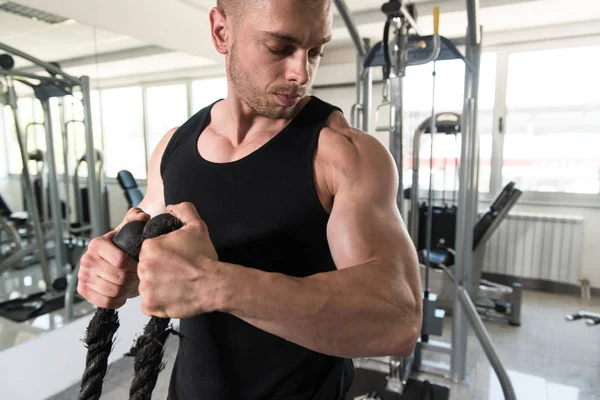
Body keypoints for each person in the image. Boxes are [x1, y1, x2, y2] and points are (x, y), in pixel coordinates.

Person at [77, 0, 423, 398]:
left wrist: (218, 285)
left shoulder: (343, 153)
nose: (301, 73)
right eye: (280, 47)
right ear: (222, 32)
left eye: (315, 51)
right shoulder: (173, 147)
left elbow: (398, 319)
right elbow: (150, 257)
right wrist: (111, 269)